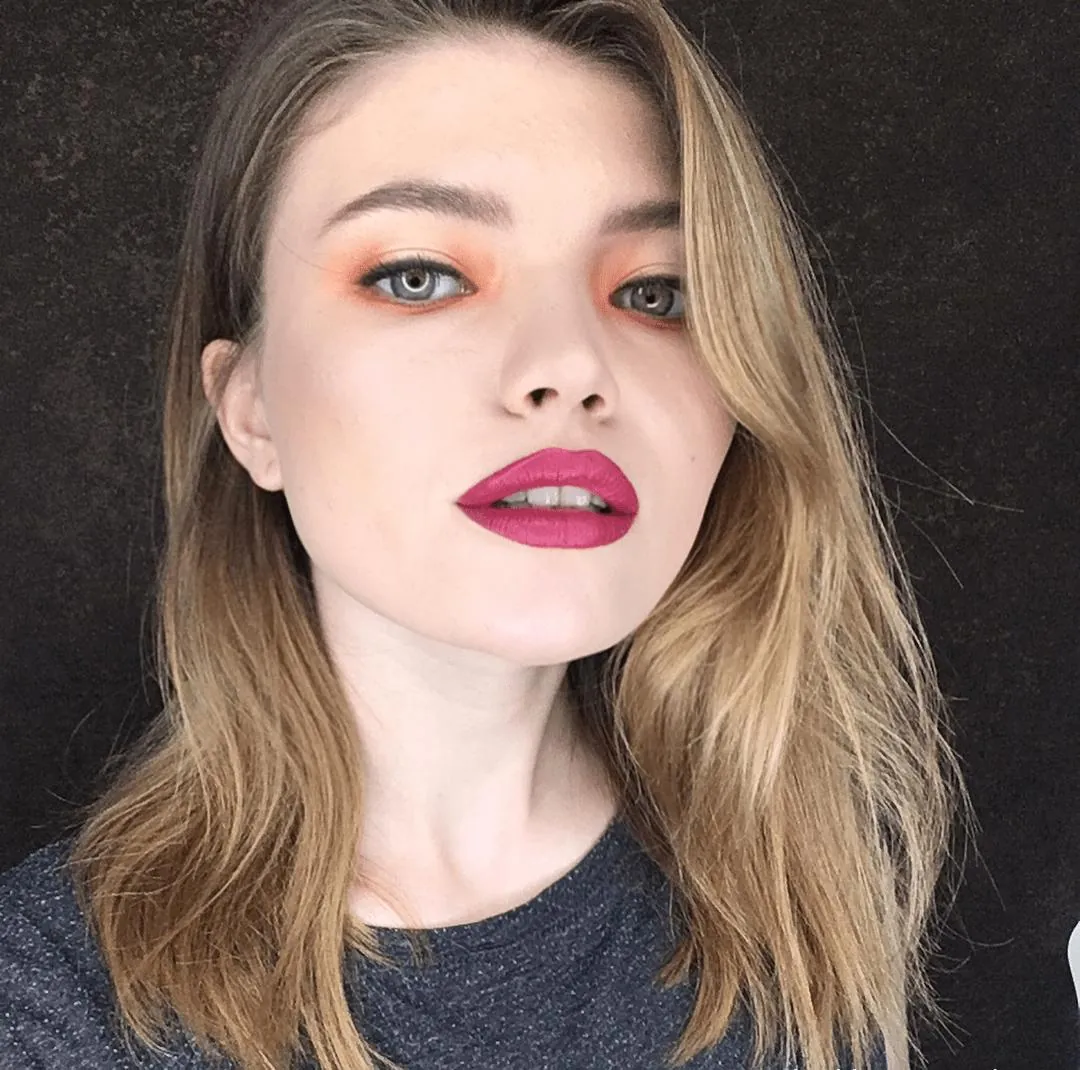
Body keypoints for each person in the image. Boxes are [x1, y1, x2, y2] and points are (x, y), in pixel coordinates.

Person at [0, 1, 974, 1068]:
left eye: (654, 291)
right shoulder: (53, 1005)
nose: (570, 364)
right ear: (251, 411)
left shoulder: (804, 900)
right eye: (419, 276)